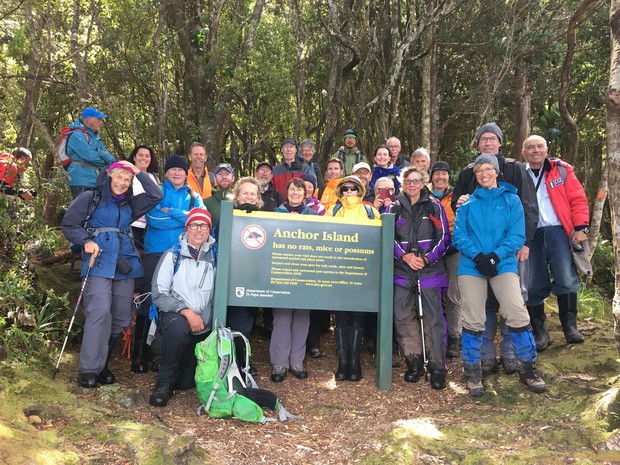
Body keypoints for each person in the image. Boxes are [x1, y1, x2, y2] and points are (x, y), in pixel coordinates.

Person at [60, 160, 163, 388]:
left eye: (127, 180)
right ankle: (88, 369)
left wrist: (138, 171)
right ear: (109, 176)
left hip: (124, 264)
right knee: (98, 313)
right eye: (119, 177)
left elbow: (156, 195)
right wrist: (85, 241)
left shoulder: (131, 204)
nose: (122, 183)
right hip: (98, 261)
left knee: (121, 317)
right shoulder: (91, 197)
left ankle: (102, 364)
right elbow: (68, 224)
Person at [452, 154, 547, 396]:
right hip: (472, 266)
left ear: (496, 171)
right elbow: (459, 236)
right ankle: (473, 373)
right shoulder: (467, 204)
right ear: (475, 177)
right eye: (479, 171)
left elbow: (517, 235)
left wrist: (494, 257)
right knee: (473, 318)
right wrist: (478, 257)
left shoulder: (512, 200)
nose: (484, 173)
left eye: (487, 169)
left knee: (516, 311)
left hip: (503, 264)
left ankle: (528, 369)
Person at [134, 155, 205, 373]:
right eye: (172, 170)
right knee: (148, 300)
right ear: (166, 173)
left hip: (183, 256)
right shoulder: (157, 191)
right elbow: (154, 220)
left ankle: (164, 353)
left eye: (181, 170)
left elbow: (200, 219)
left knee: (176, 302)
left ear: (186, 173)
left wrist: (172, 212)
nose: (176, 173)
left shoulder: (193, 196)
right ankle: (139, 355)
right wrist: (185, 218)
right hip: (156, 252)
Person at [522, 135, 590, 349]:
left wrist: (580, 227)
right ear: (523, 152)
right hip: (530, 235)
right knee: (532, 283)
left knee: (566, 276)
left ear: (546, 149)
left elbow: (577, 198)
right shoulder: (518, 174)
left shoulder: (561, 170)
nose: (535, 150)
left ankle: (570, 327)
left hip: (558, 230)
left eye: (539, 146)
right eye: (530, 147)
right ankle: (540, 331)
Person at [387, 166, 450, 389]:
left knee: (433, 318)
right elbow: (387, 237)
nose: (412, 185)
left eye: (416, 181)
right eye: (408, 181)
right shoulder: (393, 208)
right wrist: (404, 256)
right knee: (403, 316)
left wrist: (425, 259)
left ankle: (437, 367)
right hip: (402, 271)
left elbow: (443, 238)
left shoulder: (434, 206)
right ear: (403, 184)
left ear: (423, 183)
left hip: (429, 271)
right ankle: (413, 361)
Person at [149, 208, 216, 407]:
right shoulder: (173, 255)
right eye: (194, 225)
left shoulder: (216, 257)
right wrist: (187, 312)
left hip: (203, 321)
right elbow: (159, 293)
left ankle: (174, 371)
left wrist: (201, 317)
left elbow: (217, 294)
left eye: (203, 226)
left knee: (185, 382)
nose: (198, 230)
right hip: (174, 316)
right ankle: (163, 383)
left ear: (209, 230)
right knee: (179, 329)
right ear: (186, 228)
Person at [327, 175, 380, 381]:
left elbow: (379, 239)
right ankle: (343, 361)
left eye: (353, 188)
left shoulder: (370, 211)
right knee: (340, 316)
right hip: (339, 270)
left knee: (358, 315)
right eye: (345, 189)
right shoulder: (333, 210)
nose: (349, 192)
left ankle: (355, 361)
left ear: (360, 190)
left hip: (363, 270)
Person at [270, 178, 318, 382]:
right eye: (292, 189)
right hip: (282, 271)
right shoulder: (275, 214)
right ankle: (279, 364)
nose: (296, 192)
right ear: (286, 192)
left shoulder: (314, 216)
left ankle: (296, 362)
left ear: (305, 194)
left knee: (301, 318)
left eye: (299, 189)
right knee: (282, 317)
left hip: (305, 273)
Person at [228, 177, 264, 376]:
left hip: (255, 279)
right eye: (245, 193)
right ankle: (239, 363)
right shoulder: (229, 214)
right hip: (234, 278)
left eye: (253, 193)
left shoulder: (265, 218)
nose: (249, 196)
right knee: (239, 319)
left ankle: (244, 361)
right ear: (237, 195)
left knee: (249, 319)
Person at [428, 161, 461, 358]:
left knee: (453, 295)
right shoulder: (425, 196)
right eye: (437, 174)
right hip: (431, 250)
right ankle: (434, 336)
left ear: (449, 176)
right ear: (431, 177)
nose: (440, 177)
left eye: (444, 174)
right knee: (432, 294)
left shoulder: (457, 197)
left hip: (454, 249)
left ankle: (455, 337)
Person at [65, 107, 116, 198]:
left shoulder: (94, 137)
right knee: (83, 210)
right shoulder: (77, 136)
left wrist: (98, 152)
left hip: (94, 179)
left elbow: (111, 159)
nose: (101, 122)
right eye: (99, 119)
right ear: (89, 119)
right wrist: (103, 160)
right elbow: (91, 157)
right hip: (81, 180)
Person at [126, 145, 159, 247]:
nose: (144, 158)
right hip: (133, 224)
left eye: (147, 156)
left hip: (150, 225)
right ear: (134, 157)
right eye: (140, 155)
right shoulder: (127, 175)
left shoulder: (154, 177)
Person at [204, 163, 236, 227]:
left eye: (227, 174)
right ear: (215, 178)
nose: (224, 177)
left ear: (233, 178)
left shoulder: (239, 201)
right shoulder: (205, 203)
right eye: (220, 174)